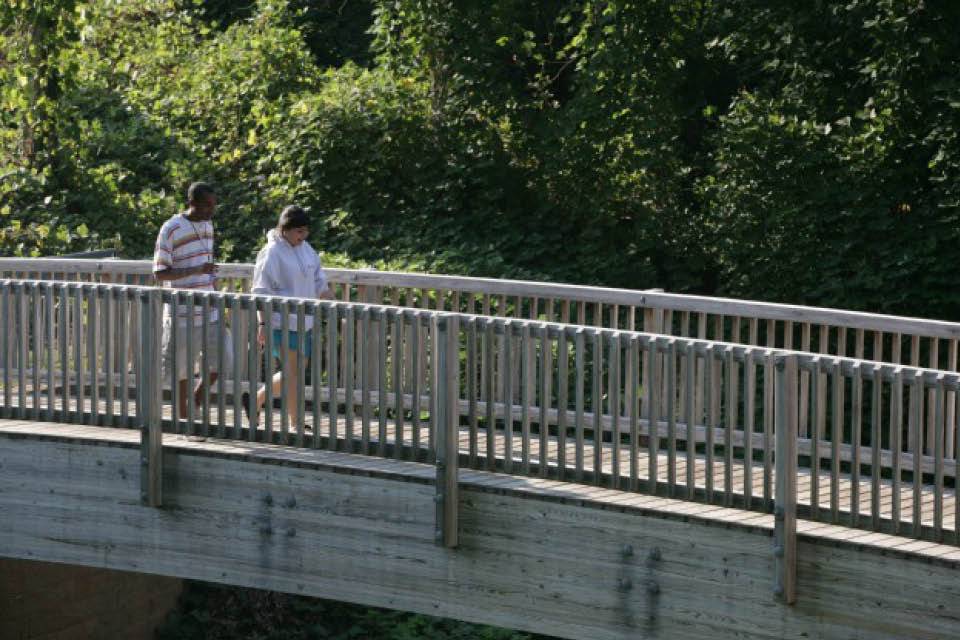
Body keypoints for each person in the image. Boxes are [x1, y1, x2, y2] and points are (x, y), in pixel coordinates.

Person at [245, 205, 333, 431]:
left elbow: (318, 280)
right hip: (280, 321)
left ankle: (256, 399)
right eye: (298, 231)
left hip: (305, 321)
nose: (303, 236)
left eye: (305, 231)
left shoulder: (307, 249)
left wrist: (333, 301)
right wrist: (262, 323)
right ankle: (296, 422)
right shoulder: (271, 252)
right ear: (284, 229)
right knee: (293, 373)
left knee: (294, 371)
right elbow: (260, 290)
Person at [153, 181, 232, 422]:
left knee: (224, 359)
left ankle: (196, 397)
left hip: (210, 309)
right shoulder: (172, 228)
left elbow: (208, 268)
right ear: (191, 203)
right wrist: (195, 269)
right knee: (182, 368)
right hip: (182, 312)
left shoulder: (208, 225)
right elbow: (160, 273)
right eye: (206, 206)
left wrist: (217, 295)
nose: (211, 210)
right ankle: (184, 418)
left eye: (213, 205)